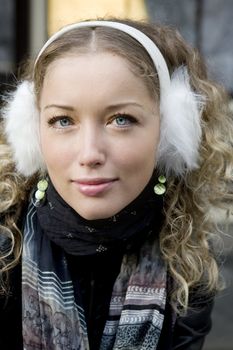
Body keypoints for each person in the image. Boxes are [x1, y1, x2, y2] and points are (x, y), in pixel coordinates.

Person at [0, 18, 232, 350]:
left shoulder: (186, 264)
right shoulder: (6, 250)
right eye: (63, 120)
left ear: (170, 135)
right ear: (32, 134)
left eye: (121, 119)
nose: (90, 153)